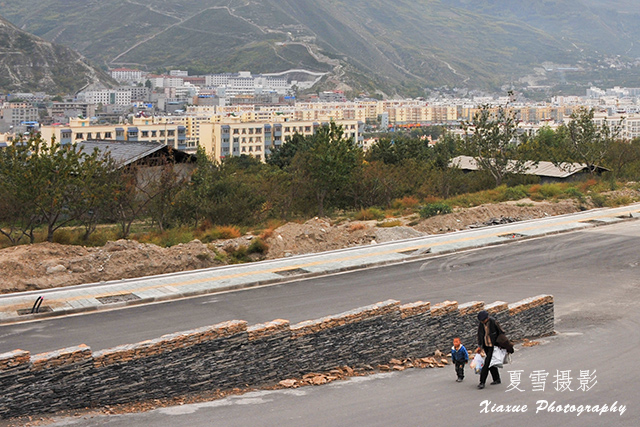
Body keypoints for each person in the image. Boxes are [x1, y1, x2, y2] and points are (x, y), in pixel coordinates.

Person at [476, 310, 505, 389]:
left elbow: (501, 332)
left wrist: (501, 344)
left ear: (487, 318)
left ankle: (482, 382)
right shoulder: (481, 324)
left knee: (487, 364)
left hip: (493, 346)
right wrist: (480, 346)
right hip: (486, 346)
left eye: (483, 320)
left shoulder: (493, 322)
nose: (482, 322)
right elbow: (480, 335)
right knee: (491, 362)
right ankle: (496, 379)